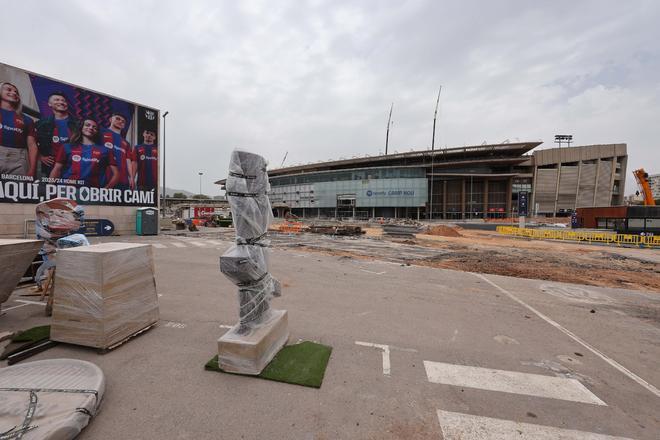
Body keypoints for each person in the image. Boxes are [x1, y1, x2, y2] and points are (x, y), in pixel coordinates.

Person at [50, 118, 118, 188]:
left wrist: (105, 190)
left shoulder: (105, 150)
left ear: (97, 132)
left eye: (94, 127)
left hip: (93, 193)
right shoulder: (67, 147)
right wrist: (50, 187)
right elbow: (57, 169)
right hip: (67, 189)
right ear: (81, 127)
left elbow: (116, 174)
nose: (91, 128)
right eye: (87, 125)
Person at [35, 91, 80, 178]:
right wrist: (40, 157)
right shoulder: (41, 123)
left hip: (74, 165)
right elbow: (31, 142)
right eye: (57, 100)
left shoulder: (79, 124)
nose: (61, 102)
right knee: (52, 191)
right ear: (49, 104)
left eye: (63, 100)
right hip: (51, 167)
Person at [0, 82, 38, 177]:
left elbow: (32, 145)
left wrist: (32, 170)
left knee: (16, 191)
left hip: (19, 159)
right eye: (8, 89)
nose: (13, 93)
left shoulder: (27, 119)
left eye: (16, 92)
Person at [101, 112, 135, 190]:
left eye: (123, 121)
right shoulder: (101, 132)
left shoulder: (126, 142)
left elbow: (128, 160)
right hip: (104, 179)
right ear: (110, 119)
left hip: (123, 181)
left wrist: (131, 178)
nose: (120, 121)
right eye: (118, 118)